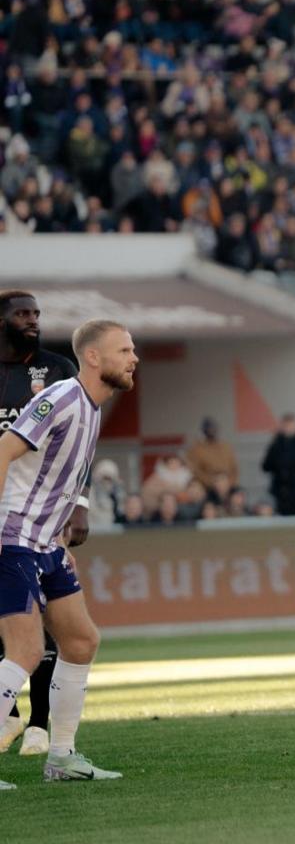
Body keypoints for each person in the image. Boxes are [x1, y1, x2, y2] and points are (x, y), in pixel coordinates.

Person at [0, 319, 137, 789]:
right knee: (26, 649)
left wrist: (58, 538)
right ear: (94, 358)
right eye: (123, 350)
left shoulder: (92, 408)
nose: (133, 358)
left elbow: (53, 481)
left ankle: (61, 757)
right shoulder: (58, 398)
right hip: (12, 538)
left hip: (44, 544)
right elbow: (2, 451)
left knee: (80, 642)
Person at [0, 290, 89, 758]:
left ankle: (41, 727)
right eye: (22, 313)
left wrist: (80, 503)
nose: (33, 320)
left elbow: (77, 449)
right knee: (22, 638)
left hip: (37, 519)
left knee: (60, 634)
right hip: (10, 521)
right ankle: (13, 719)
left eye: (36, 313)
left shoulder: (57, 371)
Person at [185, 417, 239, 490]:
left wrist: (230, 483)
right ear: (203, 430)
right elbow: (195, 470)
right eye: (209, 428)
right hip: (207, 487)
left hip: (228, 485)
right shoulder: (196, 449)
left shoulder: (226, 447)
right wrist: (212, 483)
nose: (212, 430)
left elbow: (234, 468)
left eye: (214, 428)